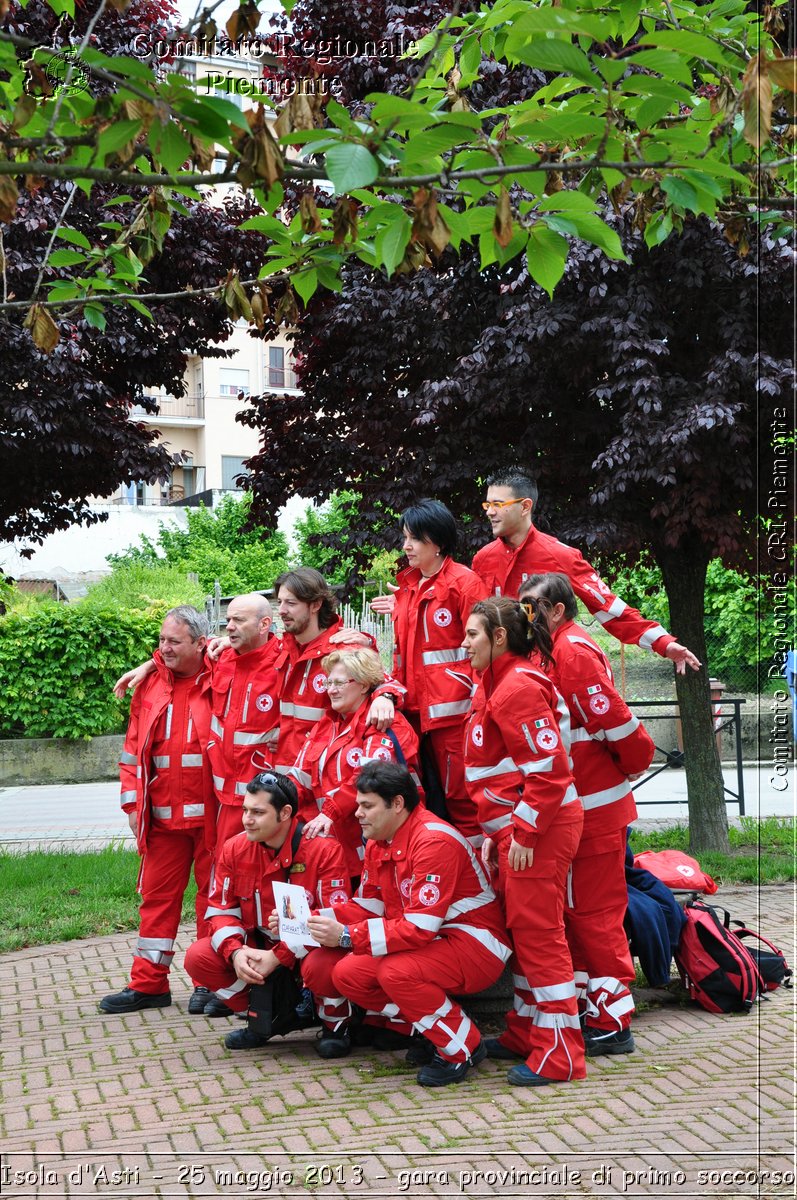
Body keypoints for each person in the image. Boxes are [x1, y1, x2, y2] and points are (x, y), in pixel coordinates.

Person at [301, 761, 512, 1087]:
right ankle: (434, 1029)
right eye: (358, 804)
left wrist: (344, 936)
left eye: (367, 805)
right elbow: (366, 907)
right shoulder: (379, 840)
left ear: (397, 804)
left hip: (475, 943)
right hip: (434, 940)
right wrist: (310, 920)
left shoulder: (432, 842)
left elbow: (418, 929)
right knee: (346, 974)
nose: (357, 813)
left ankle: (462, 1046)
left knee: (395, 972)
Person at [519, 572, 656, 1055]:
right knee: (577, 914)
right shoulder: (551, 647)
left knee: (595, 916)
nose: (525, 615)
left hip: (594, 811)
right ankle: (589, 1010)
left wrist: (632, 764)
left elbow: (616, 725)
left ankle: (614, 1023)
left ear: (557, 610)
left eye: (532, 607)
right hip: (581, 808)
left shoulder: (571, 652)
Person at [462, 597, 586, 1087]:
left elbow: (549, 773)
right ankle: (525, 1031)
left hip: (539, 830)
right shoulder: (495, 682)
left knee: (539, 936)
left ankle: (558, 1055)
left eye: (472, 634)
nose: (463, 643)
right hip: (519, 830)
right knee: (524, 934)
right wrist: (501, 832)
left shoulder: (515, 688)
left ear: (497, 638)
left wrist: (524, 832)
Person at [183, 772, 353, 1054]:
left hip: (307, 951)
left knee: (323, 965)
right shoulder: (234, 848)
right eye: (246, 810)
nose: (247, 819)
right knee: (199, 957)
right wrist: (235, 953)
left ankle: (335, 1025)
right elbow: (220, 910)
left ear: (285, 813)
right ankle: (263, 1020)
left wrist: (279, 955)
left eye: (258, 812)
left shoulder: (324, 849)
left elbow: (335, 920)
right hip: (260, 950)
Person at [471, 466, 701, 673]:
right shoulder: (483, 559)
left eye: (498, 505)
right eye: (487, 504)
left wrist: (663, 643)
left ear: (525, 506)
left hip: (546, 675)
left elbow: (609, 607)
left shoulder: (561, 556)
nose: (489, 512)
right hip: (495, 675)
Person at [99, 606, 215, 1015]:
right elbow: (132, 752)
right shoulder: (148, 686)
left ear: (201, 643)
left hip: (213, 820)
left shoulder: (221, 676)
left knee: (212, 902)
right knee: (156, 900)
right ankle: (148, 985)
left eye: (173, 642)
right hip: (162, 818)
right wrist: (132, 802)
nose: (163, 648)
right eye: (161, 641)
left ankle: (209, 984)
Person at [369, 499, 486, 841]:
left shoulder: (465, 584)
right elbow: (407, 653)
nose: (405, 546)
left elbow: (484, 651)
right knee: (424, 800)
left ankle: (480, 883)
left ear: (437, 542)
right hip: (414, 714)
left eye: (414, 539)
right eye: (405, 537)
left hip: (455, 717)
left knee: (463, 801)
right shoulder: (408, 586)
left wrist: (480, 708)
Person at [288, 648, 421, 880]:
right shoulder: (327, 724)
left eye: (339, 682)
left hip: (377, 846)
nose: (331, 689)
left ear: (363, 684)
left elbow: (369, 778)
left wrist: (329, 812)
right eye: (329, 682)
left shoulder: (382, 721)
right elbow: (299, 778)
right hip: (336, 845)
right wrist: (276, 803)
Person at [272, 568, 402, 776]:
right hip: (288, 775)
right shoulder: (284, 649)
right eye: (280, 602)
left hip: (327, 776)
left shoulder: (343, 649)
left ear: (315, 604)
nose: (281, 610)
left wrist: (385, 697)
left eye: (291, 603)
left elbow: (383, 682)